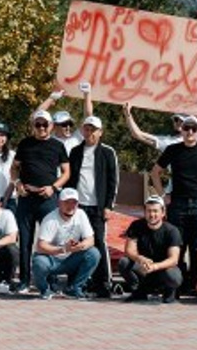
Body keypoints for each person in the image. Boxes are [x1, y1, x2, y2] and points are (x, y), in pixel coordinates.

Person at [152, 116, 197, 291]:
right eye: (186, 128)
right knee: (177, 245)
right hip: (177, 204)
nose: (190, 132)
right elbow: (155, 172)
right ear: (181, 130)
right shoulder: (172, 149)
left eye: (194, 128)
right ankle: (176, 285)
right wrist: (163, 195)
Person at [12, 110, 70, 289]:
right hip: (26, 197)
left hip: (48, 198)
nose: (41, 127)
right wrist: (17, 183)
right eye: (38, 124)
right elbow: (14, 168)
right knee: (25, 241)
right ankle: (24, 281)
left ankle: (50, 282)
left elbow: (67, 172)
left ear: (51, 126)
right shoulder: (24, 143)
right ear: (33, 126)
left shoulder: (58, 146)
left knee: (49, 240)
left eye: (45, 124)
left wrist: (53, 187)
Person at [66, 115, 118, 296]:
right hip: (78, 206)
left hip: (98, 206)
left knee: (98, 243)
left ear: (100, 132)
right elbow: (70, 179)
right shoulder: (75, 152)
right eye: (87, 129)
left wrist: (109, 205)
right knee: (76, 243)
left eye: (93, 130)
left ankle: (103, 283)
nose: (90, 133)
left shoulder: (108, 152)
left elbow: (113, 181)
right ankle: (76, 282)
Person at [32, 188, 99, 300]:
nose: (71, 206)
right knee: (39, 262)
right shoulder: (50, 219)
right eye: (67, 202)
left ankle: (75, 288)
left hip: (71, 258)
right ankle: (45, 289)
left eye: (74, 202)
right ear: (59, 203)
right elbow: (41, 246)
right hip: (52, 259)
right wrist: (63, 249)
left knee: (94, 253)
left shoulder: (81, 214)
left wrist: (80, 246)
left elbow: (90, 240)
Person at [119, 195, 183, 303]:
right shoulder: (136, 225)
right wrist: (139, 258)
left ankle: (169, 291)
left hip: (162, 269)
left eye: (155, 211)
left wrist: (155, 266)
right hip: (144, 267)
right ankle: (138, 290)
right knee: (124, 262)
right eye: (149, 211)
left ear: (163, 213)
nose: (152, 215)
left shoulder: (172, 231)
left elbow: (174, 259)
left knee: (174, 275)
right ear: (144, 212)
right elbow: (129, 250)